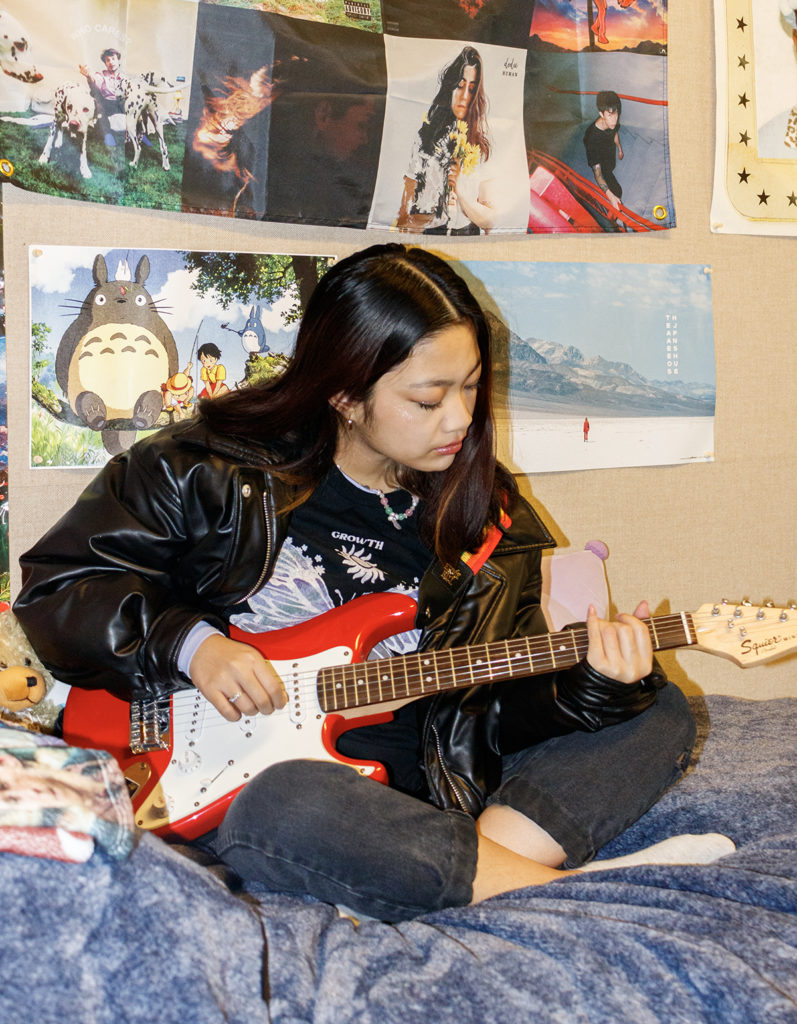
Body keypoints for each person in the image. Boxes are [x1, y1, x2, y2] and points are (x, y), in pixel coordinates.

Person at [14, 244, 730, 923]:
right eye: (428, 399)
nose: (460, 420)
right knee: (291, 803)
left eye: (473, 388)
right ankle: (544, 888)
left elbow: (494, 709)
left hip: (423, 789)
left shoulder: (488, 513)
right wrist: (191, 643)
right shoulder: (202, 468)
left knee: (656, 708)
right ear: (344, 393)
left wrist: (595, 684)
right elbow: (61, 588)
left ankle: (482, 873)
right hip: (242, 783)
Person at [397, 47, 496, 235]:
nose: (464, 96)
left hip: (467, 237)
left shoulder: (481, 146)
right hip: (429, 235)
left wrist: (460, 191)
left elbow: (490, 222)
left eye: (472, 88)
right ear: (450, 86)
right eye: (459, 85)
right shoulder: (424, 138)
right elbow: (406, 210)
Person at [583, 90, 624, 218]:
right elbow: (598, 175)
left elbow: (615, 134)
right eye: (610, 116)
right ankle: (610, 219)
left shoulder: (613, 124)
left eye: (616, 114)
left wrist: (620, 148)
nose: (614, 120)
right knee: (617, 190)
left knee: (611, 164)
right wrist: (611, 196)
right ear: (601, 113)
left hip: (608, 151)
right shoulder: (592, 140)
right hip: (600, 157)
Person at [79, 47, 125, 148]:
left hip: (122, 103)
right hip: (107, 104)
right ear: (105, 63)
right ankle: (107, 134)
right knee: (98, 102)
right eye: (107, 60)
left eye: (113, 59)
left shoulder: (124, 77)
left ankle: (140, 133)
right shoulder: (102, 75)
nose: (111, 62)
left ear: (118, 60)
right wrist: (88, 76)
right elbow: (94, 81)